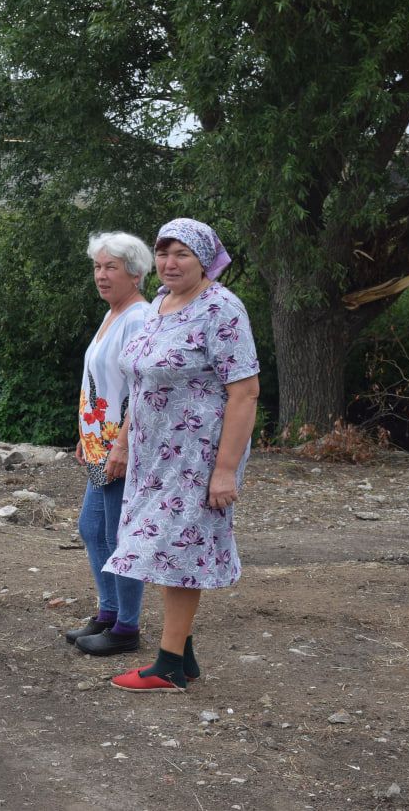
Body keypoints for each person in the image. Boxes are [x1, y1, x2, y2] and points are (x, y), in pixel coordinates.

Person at [105, 218, 260, 692]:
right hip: (155, 457)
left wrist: (226, 471)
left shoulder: (222, 310)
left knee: (178, 550)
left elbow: (246, 392)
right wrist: (125, 440)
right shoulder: (158, 304)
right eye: (163, 253)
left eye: (182, 254)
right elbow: (142, 381)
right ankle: (183, 656)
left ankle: (169, 665)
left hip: (196, 457)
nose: (170, 263)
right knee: (166, 548)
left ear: (204, 259)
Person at [67, 232, 153, 657]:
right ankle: (108, 610)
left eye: (111, 267)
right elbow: (97, 380)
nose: (101, 275)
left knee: (122, 534)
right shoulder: (112, 314)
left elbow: (141, 389)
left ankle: (126, 627)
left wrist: (121, 444)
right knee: (92, 527)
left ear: (134, 273)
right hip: (100, 444)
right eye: (98, 267)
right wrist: (84, 434)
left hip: (123, 447)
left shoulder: (138, 317)